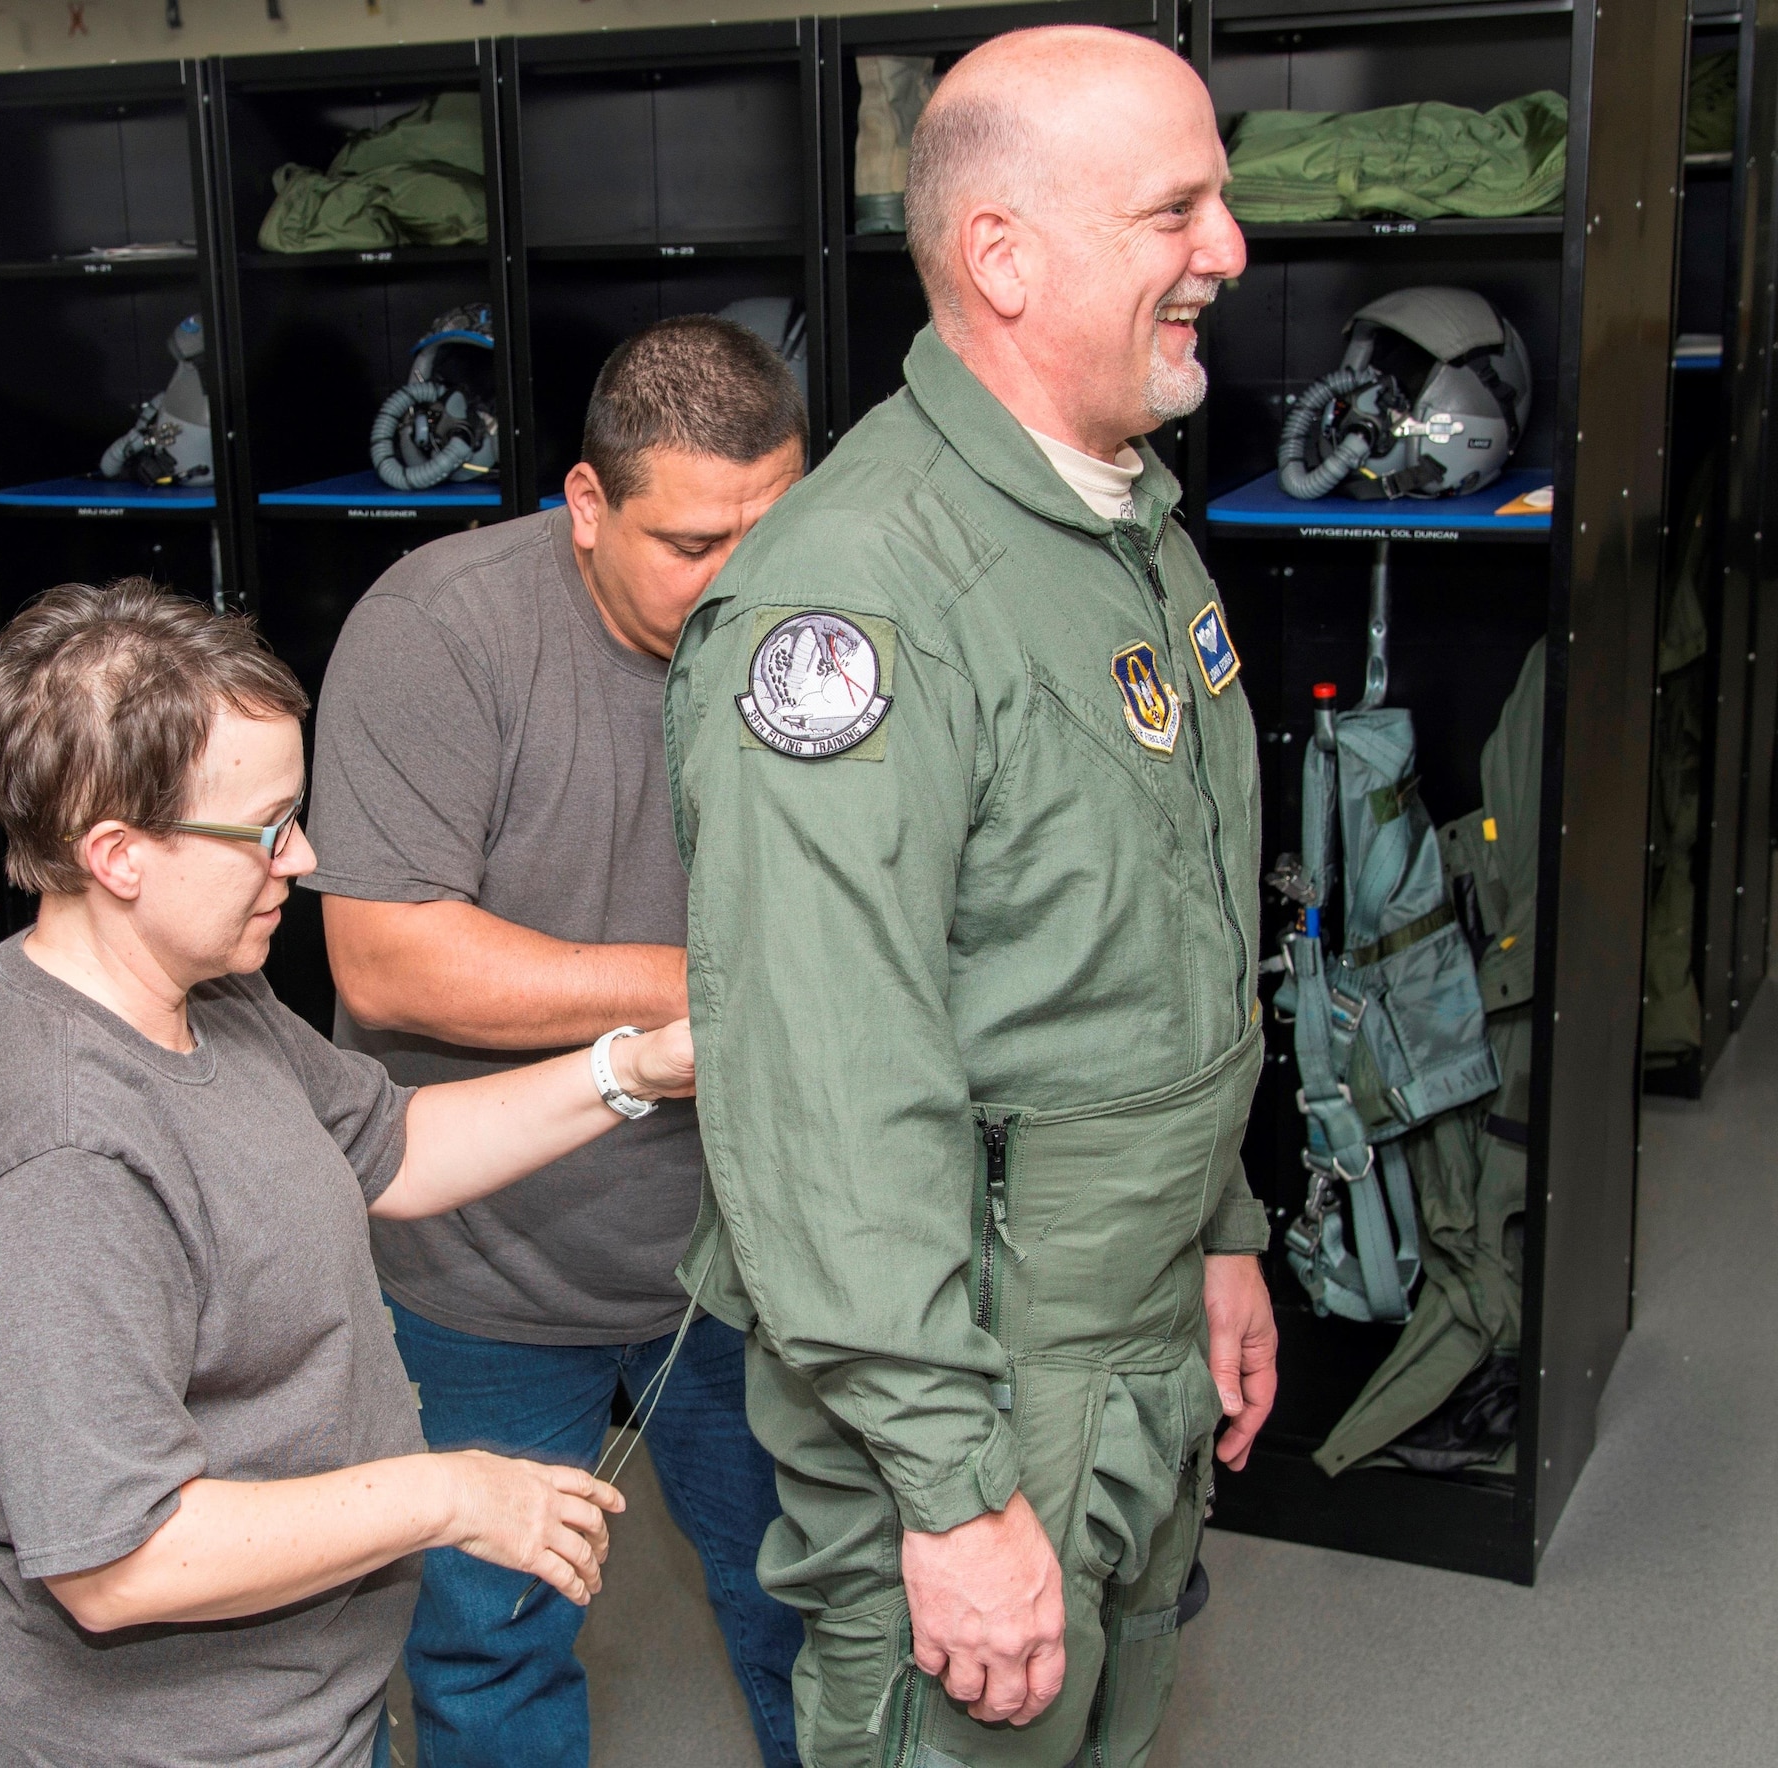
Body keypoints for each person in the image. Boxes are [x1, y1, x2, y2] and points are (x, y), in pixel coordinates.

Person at [661, 27, 1276, 1768]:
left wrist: (1216, 1230)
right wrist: (950, 1490)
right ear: (1004, 255)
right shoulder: (856, 606)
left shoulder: (1122, 522)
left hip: (1135, 1313)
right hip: (977, 1370)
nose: (1228, 249)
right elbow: (828, 1092)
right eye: (1179, 206)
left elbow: (1153, 932)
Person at [0, 581, 695, 1768]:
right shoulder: (64, 1158)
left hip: (305, 1708)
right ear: (118, 855)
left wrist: (633, 1066)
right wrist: (451, 1495)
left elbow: (394, 1146)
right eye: (267, 827)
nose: (308, 855)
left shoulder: (203, 993)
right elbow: (121, 1559)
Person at [306, 314, 808, 1768]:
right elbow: (387, 959)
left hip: (739, 1251)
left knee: (812, 1616)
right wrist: (698, 988)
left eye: (770, 529)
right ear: (586, 509)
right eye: (694, 541)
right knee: (491, 1649)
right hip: (486, 1263)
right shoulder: (438, 631)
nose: (744, 579)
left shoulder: (816, 622)